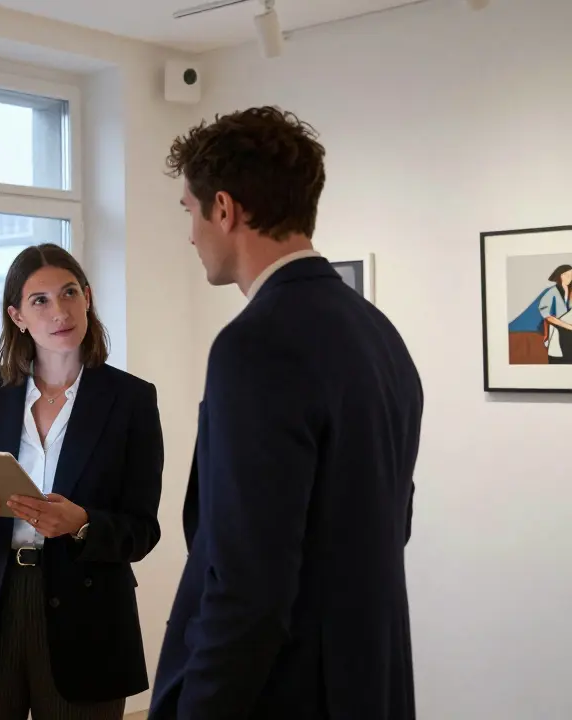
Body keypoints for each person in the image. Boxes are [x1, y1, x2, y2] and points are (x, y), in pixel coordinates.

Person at [150, 107, 424, 720]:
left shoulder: (255, 345)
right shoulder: (379, 334)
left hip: (286, 692)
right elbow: (391, 523)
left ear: (225, 209)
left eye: (190, 212)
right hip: (369, 680)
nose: (190, 235)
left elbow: (248, 583)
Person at [0, 243, 164, 720]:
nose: (60, 311)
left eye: (69, 293)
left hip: (88, 618)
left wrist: (81, 524)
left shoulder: (132, 400)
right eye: (40, 300)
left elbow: (142, 529)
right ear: (17, 316)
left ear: (88, 298)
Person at [507, 264, 572, 364]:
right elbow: (546, 315)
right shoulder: (551, 292)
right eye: (567, 275)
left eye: (571, 275)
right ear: (560, 276)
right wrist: (568, 326)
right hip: (555, 330)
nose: (569, 278)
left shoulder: (569, 291)